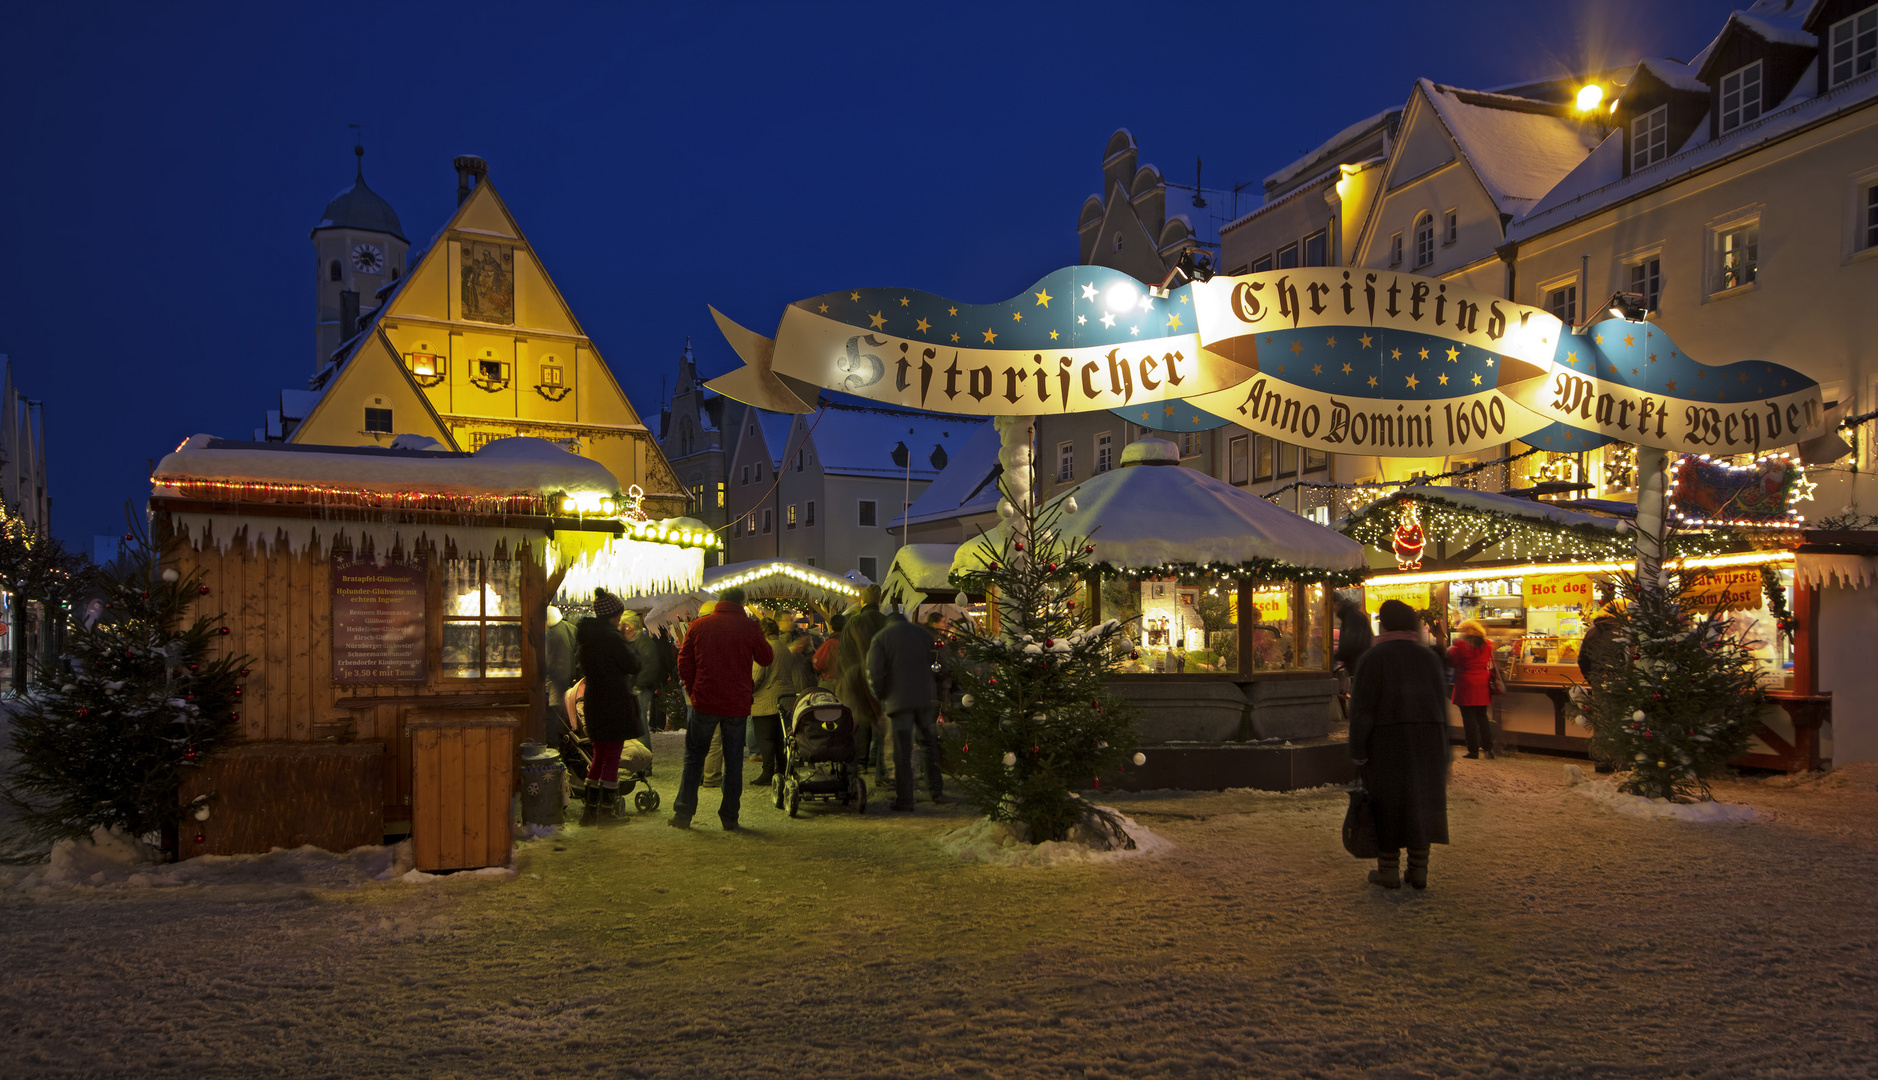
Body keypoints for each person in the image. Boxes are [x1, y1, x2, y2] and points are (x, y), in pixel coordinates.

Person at [1348, 599, 1451, 890]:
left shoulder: (1374, 657)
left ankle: (1388, 870)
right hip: (1429, 740)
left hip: (1387, 740)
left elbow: (1363, 709)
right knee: (1422, 802)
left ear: (1384, 623)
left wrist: (1357, 750)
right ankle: (1419, 870)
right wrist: (1446, 748)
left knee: (1388, 804)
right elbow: (1441, 706)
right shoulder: (1429, 656)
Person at [672, 587, 773, 830]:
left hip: (705, 701)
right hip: (736, 704)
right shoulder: (749, 627)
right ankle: (729, 817)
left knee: (694, 757)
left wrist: (693, 689)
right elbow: (766, 658)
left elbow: (684, 663)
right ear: (742, 602)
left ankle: (683, 814)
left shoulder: (698, 626)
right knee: (734, 760)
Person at [866, 605, 953, 811]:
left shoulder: (881, 638)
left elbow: (875, 672)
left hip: (899, 702)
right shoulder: (923, 635)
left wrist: (881, 696)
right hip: (925, 698)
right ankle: (936, 791)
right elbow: (938, 664)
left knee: (902, 751)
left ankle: (906, 799)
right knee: (928, 745)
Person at [575, 589, 643, 825]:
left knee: (599, 755)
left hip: (595, 700)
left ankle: (590, 811)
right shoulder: (612, 638)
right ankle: (606, 810)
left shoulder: (586, 639)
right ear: (614, 614)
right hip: (614, 701)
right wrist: (626, 642)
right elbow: (633, 665)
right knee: (613, 755)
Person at [749, 617, 813, 787]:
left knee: (765, 738)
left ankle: (768, 771)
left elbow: (756, 676)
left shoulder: (764, 648)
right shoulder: (784, 647)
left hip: (765, 701)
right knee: (780, 737)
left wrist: (746, 689)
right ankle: (782, 768)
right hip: (786, 699)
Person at [835, 585, 889, 784]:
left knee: (856, 726)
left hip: (854, 679)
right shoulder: (886, 622)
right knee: (880, 725)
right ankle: (880, 772)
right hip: (880, 680)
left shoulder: (853, 622)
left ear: (864, 601)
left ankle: (854, 770)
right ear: (879, 601)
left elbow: (843, 654)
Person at [1447, 619, 1496, 759]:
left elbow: (1453, 662)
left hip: (1466, 682)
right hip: (1482, 680)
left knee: (1468, 718)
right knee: (1482, 716)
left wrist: (1450, 651)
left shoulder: (1460, 645)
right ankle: (1488, 749)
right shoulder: (1488, 644)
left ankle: (1473, 750)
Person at [623, 611, 662, 740]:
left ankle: (644, 752)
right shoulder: (629, 642)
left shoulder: (643, 642)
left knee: (639, 722)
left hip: (641, 688)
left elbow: (650, 665)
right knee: (635, 722)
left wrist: (637, 685)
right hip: (633, 687)